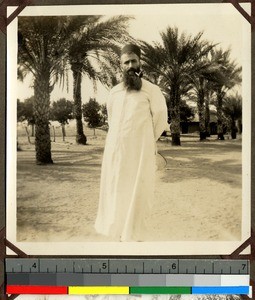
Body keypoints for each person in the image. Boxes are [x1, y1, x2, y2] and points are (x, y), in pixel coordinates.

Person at [95, 43, 168, 241]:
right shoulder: (114, 92)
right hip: (116, 152)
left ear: (140, 62)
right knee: (117, 188)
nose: (130, 65)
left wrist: (146, 140)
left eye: (133, 61)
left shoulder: (151, 90)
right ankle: (118, 233)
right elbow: (112, 120)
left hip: (140, 151)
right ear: (120, 66)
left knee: (138, 191)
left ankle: (135, 236)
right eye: (126, 62)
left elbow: (161, 117)